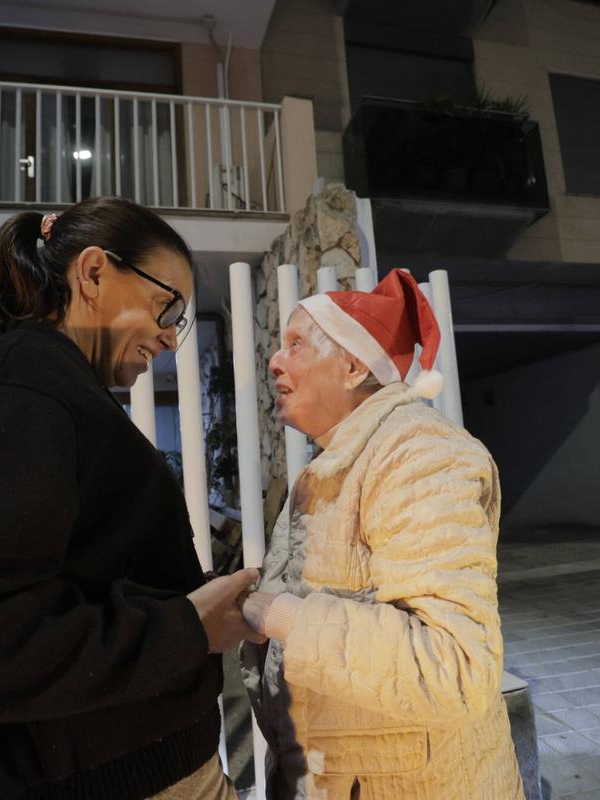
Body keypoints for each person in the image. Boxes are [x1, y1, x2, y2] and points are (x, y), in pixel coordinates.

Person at [0, 197, 264, 800]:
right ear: (93, 273)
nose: (171, 338)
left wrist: (191, 607)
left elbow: (70, 582)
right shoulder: (24, 395)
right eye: (166, 306)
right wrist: (183, 628)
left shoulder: (41, 393)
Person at [238, 269, 524, 800]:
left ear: (352, 367)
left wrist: (277, 614)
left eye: (296, 344)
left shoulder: (420, 456)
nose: (275, 361)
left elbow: (454, 667)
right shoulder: (340, 459)